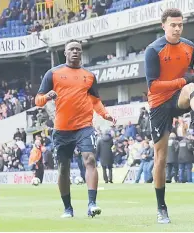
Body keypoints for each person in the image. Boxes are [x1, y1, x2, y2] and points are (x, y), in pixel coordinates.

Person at [144, 8, 194, 224]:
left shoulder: (189, 47)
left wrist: (185, 82)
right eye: (173, 24)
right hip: (158, 104)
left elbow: (189, 76)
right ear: (163, 25)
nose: (177, 28)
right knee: (161, 158)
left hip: (179, 97)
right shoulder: (153, 50)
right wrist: (181, 82)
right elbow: (153, 86)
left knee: (192, 86)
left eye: (180, 24)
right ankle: (161, 208)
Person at [35, 39, 116, 218]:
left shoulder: (89, 76)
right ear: (65, 53)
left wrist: (105, 114)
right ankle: (67, 208)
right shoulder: (53, 73)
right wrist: (47, 96)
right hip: (62, 129)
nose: (75, 52)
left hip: (84, 127)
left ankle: (92, 204)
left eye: (78, 49)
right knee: (63, 168)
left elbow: (95, 100)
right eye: (71, 49)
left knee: (90, 160)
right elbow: (38, 100)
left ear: (81, 53)